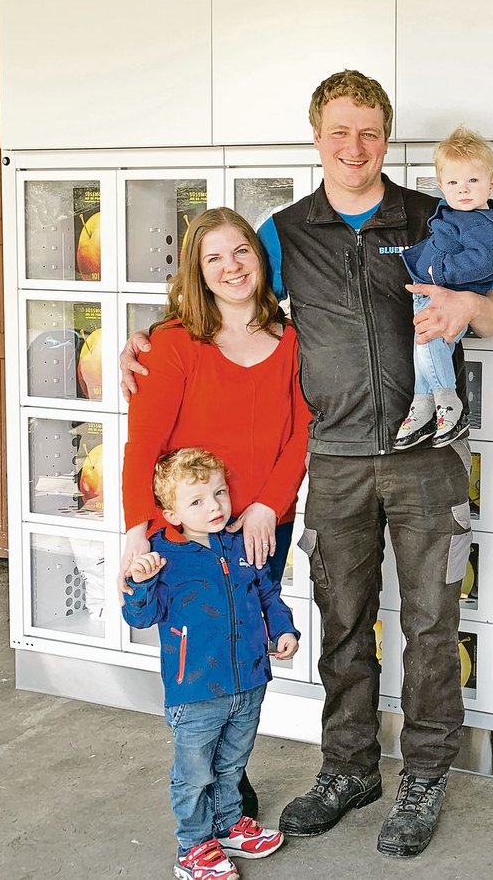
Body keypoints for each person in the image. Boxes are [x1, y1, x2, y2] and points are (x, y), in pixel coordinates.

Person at [121, 70, 493, 860]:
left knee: (434, 624)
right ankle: (349, 768)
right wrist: (148, 339)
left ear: (386, 139)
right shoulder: (288, 230)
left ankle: (425, 773)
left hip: (428, 456)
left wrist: (470, 306)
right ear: (317, 138)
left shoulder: (433, 214)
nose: (354, 146)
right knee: (343, 622)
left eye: (369, 131)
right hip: (332, 460)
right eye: (340, 131)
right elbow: (226, 288)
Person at [120, 205, 313, 819]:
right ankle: (203, 802)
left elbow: (301, 433)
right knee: (199, 659)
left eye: (242, 252)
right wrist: (136, 533)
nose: (231, 267)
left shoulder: (292, 344)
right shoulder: (174, 345)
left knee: (248, 640)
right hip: (186, 537)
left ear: (262, 260)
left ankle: (232, 780)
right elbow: (143, 447)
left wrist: (266, 507)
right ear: (198, 273)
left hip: (259, 528)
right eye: (214, 258)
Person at [122, 447, 300, 880]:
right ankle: (193, 846)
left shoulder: (239, 544)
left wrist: (283, 630)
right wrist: (140, 582)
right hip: (197, 690)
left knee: (232, 764)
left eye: (219, 493)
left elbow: (266, 594)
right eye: (197, 501)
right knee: (195, 773)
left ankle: (227, 826)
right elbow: (140, 616)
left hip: (249, 681)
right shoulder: (163, 556)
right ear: (170, 512)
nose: (215, 506)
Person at [393, 126, 493, 449]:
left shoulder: (483, 224)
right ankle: (423, 404)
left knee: (428, 343)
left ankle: (448, 402)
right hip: (430, 289)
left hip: (442, 290)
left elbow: (482, 262)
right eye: (453, 183)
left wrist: (440, 271)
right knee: (422, 345)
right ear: (441, 185)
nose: (463, 190)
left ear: (492, 183)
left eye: (473, 181)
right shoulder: (453, 214)